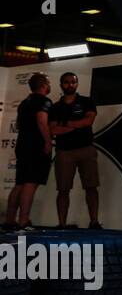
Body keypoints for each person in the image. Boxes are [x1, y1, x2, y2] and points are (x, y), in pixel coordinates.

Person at [49, 72, 101, 230]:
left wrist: (65, 123)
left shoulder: (87, 101)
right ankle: (62, 224)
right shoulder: (55, 107)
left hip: (86, 149)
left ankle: (94, 222)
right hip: (64, 152)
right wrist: (76, 124)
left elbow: (88, 121)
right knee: (63, 189)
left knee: (91, 187)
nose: (70, 84)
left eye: (73, 82)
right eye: (66, 82)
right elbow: (53, 129)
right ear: (61, 84)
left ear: (77, 84)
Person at [8, 73, 54, 231]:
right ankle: (23, 222)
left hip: (22, 144)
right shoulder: (44, 101)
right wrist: (48, 140)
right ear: (43, 86)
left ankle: (9, 221)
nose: (49, 86)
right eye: (48, 83)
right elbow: (42, 120)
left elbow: (20, 125)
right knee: (30, 183)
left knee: (20, 183)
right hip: (36, 145)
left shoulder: (23, 103)